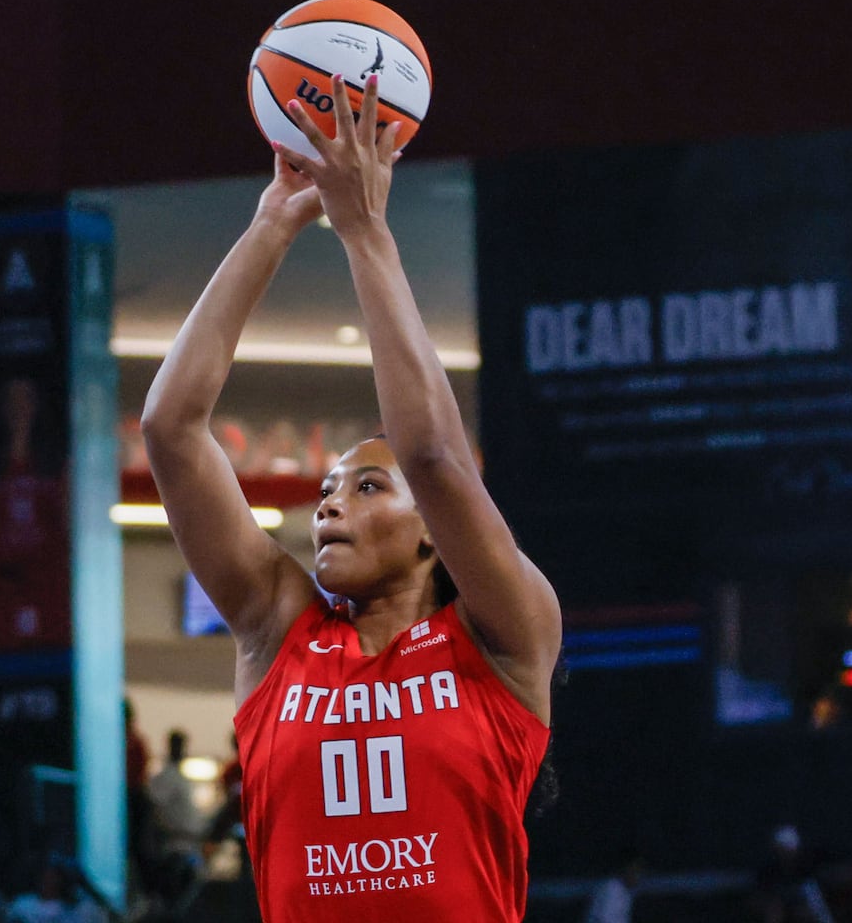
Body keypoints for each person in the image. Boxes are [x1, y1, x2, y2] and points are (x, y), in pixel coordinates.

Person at [140, 73, 561, 921]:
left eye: (368, 486)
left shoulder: (504, 637)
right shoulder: (278, 631)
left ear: (431, 536)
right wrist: (272, 224)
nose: (328, 505)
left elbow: (435, 454)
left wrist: (366, 232)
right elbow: (170, 429)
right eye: (327, 489)